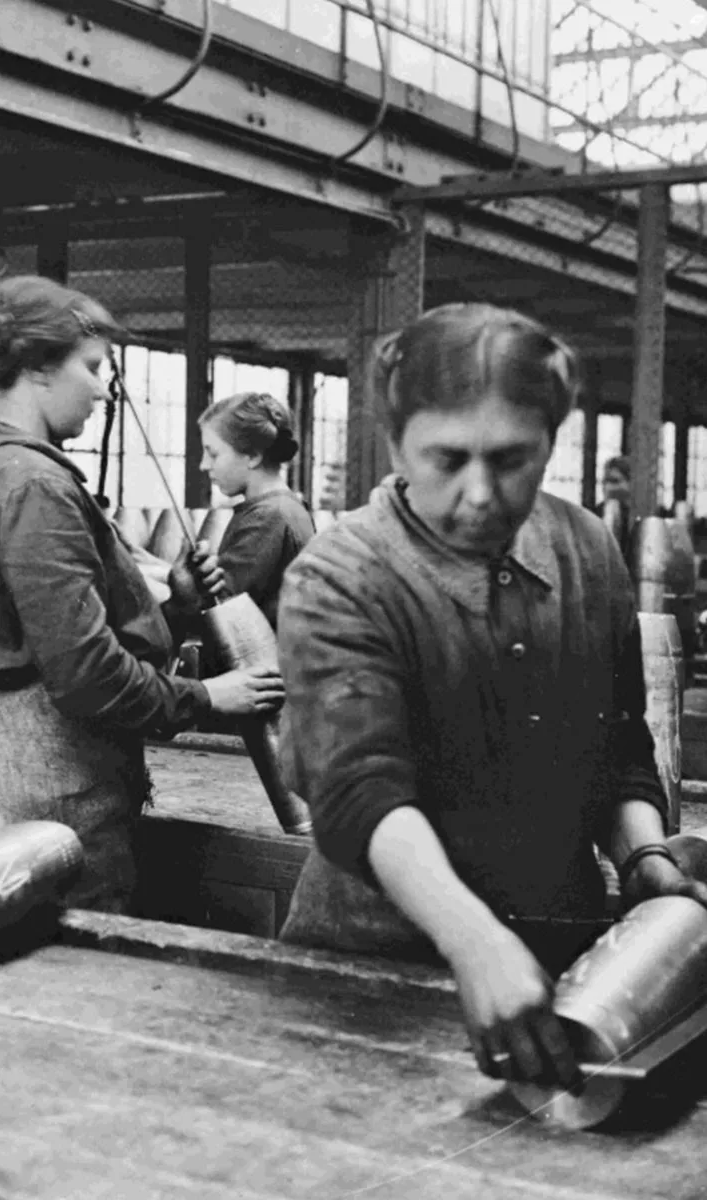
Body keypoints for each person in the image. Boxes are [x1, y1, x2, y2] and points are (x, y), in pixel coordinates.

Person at [275, 303, 707, 1093]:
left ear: (552, 440)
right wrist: (474, 942)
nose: (480, 494)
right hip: (373, 972)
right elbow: (359, 792)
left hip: (562, 964)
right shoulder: (340, 576)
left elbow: (617, 747)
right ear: (396, 441)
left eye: (513, 459)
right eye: (447, 459)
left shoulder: (586, 548)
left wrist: (643, 857)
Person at [0, 276, 286, 914]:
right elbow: (86, 674)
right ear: (36, 366)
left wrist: (178, 606)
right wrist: (204, 698)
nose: (103, 386)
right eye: (91, 367)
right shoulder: (35, 485)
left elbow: (51, 631)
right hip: (41, 784)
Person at [197, 392, 316, 627]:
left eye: (213, 454)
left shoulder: (267, 517)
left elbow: (217, 608)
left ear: (252, 456)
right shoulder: (284, 506)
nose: (204, 465)